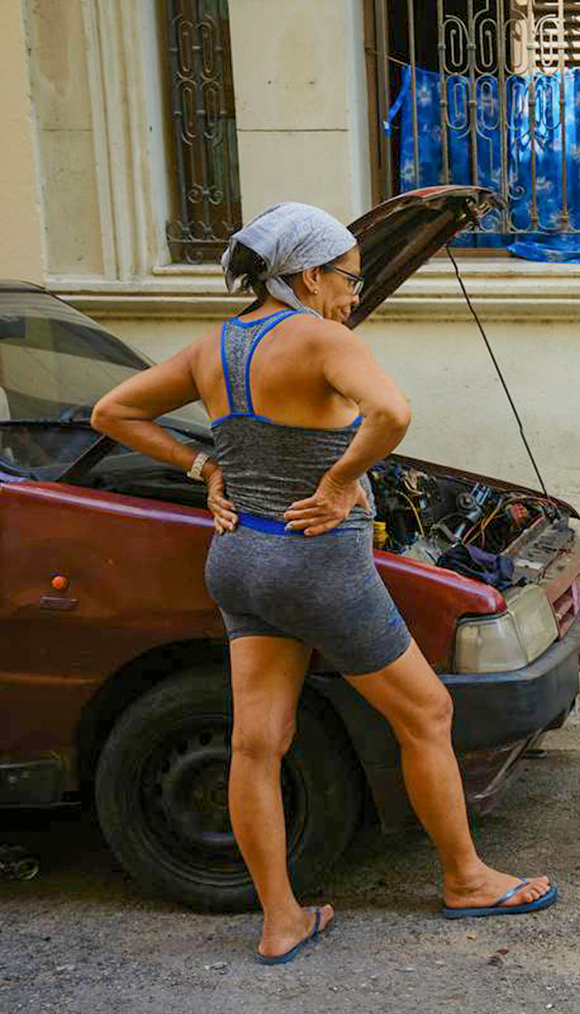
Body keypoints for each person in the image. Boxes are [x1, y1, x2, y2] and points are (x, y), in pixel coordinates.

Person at [91, 203, 555, 965]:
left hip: (240, 561)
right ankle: (467, 879)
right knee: (427, 711)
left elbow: (113, 411)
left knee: (256, 744)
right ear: (307, 276)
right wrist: (342, 480)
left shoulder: (216, 345)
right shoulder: (318, 338)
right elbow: (392, 413)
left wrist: (202, 464)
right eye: (348, 279)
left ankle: (281, 920)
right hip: (318, 565)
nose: (353, 295)